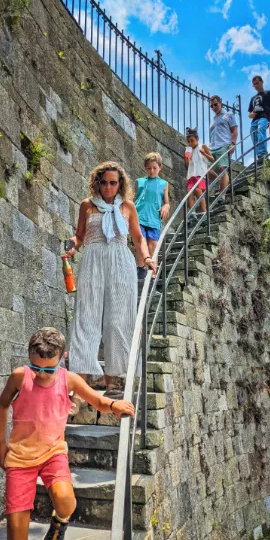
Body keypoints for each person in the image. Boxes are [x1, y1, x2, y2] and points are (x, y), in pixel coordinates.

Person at [0, 327, 135, 540]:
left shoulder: (68, 379)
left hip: (53, 453)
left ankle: (59, 524)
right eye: (35, 367)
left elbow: (96, 399)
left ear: (63, 359)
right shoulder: (20, 376)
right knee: (16, 528)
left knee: (65, 501)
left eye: (48, 369)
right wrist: (1, 445)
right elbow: (2, 405)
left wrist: (113, 406)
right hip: (20, 458)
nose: (40, 374)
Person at [65, 162, 156, 404]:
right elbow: (81, 236)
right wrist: (71, 246)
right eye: (104, 182)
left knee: (117, 321)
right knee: (86, 318)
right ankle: (80, 384)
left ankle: (113, 379)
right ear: (97, 182)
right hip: (93, 260)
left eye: (113, 182)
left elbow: (138, 237)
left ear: (120, 184)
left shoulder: (127, 207)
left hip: (120, 262)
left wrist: (146, 257)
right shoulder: (87, 205)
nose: (108, 186)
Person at [134, 152, 170, 281]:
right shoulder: (140, 181)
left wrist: (166, 206)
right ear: (145, 168)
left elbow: (166, 202)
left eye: (154, 168)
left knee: (153, 244)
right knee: (140, 241)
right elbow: (133, 198)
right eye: (149, 168)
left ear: (160, 168)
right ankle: (140, 268)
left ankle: (153, 273)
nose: (151, 171)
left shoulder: (164, 184)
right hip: (139, 216)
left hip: (154, 217)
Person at [248, 75, 270, 162]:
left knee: (261, 130)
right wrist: (251, 114)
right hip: (254, 120)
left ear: (262, 82)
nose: (256, 86)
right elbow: (249, 113)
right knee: (253, 136)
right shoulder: (253, 98)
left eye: (257, 83)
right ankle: (259, 155)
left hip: (264, 117)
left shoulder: (268, 93)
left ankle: (263, 154)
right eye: (254, 84)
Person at [209, 95, 238, 199]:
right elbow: (213, 134)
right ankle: (220, 182)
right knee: (205, 168)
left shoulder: (228, 114)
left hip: (224, 146)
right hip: (213, 147)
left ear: (220, 103)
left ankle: (222, 196)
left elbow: (234, 130)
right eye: (211, 106)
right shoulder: (213, 119)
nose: (213, 107)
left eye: (215, 104)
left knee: (223, 170)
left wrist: (233, 144)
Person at [184, 127, 215, 215]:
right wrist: (186, 159)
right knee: (189, 193)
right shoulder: (188, 150)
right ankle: (192, 212)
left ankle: (204, 211)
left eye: (192, 140)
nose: (190, 143)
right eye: (188, 141)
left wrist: (204, 154)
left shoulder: (202, 146)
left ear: (197, 139)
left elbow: (212, 159)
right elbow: (187, 166)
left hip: (200, 174)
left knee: (198, 190)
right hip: (191, 175)